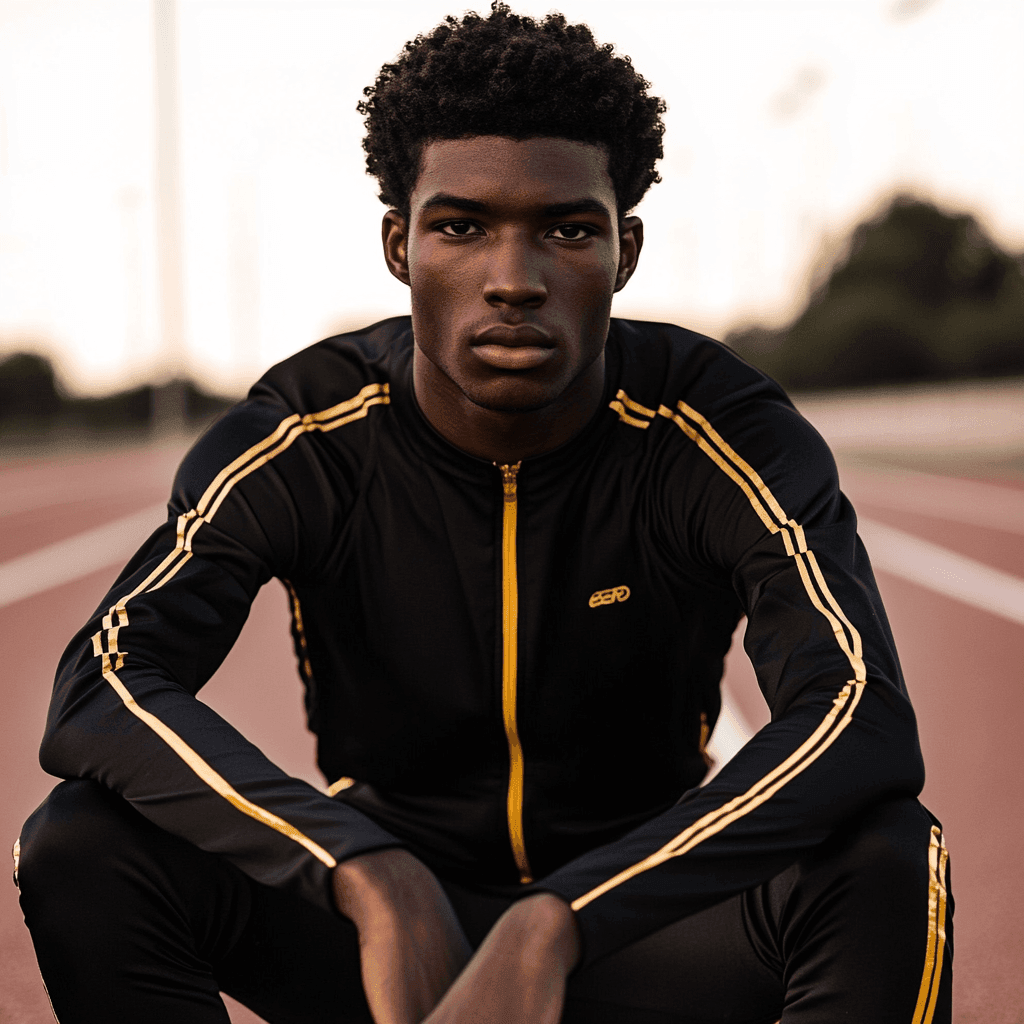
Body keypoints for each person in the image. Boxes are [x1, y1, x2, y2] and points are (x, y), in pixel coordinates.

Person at [16, 5, 952, 1022]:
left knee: (888, 852)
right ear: (398, 244)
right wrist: (363, 870)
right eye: (461, 227)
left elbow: (857, 714)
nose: (514, 281)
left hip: (643, 925)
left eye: (566, 228)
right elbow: (104, 682)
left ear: (624, 249)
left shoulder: (714, 429)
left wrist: (561, 918)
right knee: (79, 839)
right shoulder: (308, 436)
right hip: (387, 938)